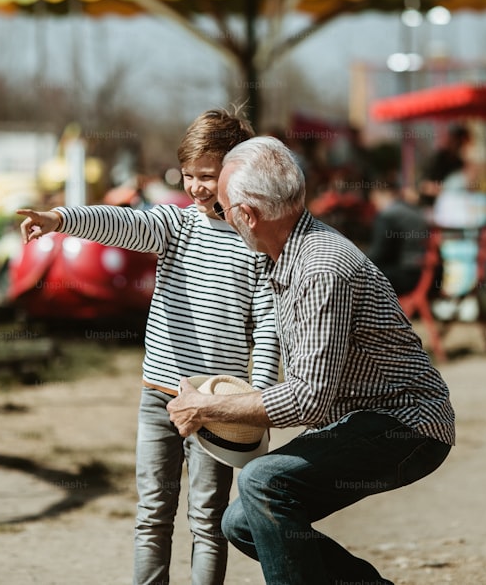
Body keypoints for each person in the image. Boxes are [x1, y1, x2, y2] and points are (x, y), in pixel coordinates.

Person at [166, 136, 454, 585]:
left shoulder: (320, 269)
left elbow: (309, 400)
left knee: (263, 483)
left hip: (407, 424)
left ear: (247, 215)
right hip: (366, 418)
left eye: (223, 209)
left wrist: (206, 408)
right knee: (242, 522)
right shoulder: (286, 253)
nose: (221, 217)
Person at [18, 109, 281, 585]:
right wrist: (59, 218)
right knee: (152, 513)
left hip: (217, 405)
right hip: (158, 396)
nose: (198, 187)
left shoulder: (255, 244)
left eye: (209, 175)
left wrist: (255, 400)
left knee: (207, 521)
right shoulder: (174, 227)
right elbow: (116, 223)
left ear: (237, 173)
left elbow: (266, 328)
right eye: (189, 175)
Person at [366, 180, 430, 296]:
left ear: (380, 195)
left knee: (361, 275)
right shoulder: (413, 210)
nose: (374, 205)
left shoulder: (388, 216)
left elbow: (378, 254)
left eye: (374, 200)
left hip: (404, 275)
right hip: (421, 272)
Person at [419, 122, 473, 206]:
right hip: (430, 206)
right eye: (460, 143)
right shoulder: (436, 160)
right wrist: (446, 191)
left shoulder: (459, 162)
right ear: (452, 140)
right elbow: (423, 186)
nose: (462, 147)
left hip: (449, 208)